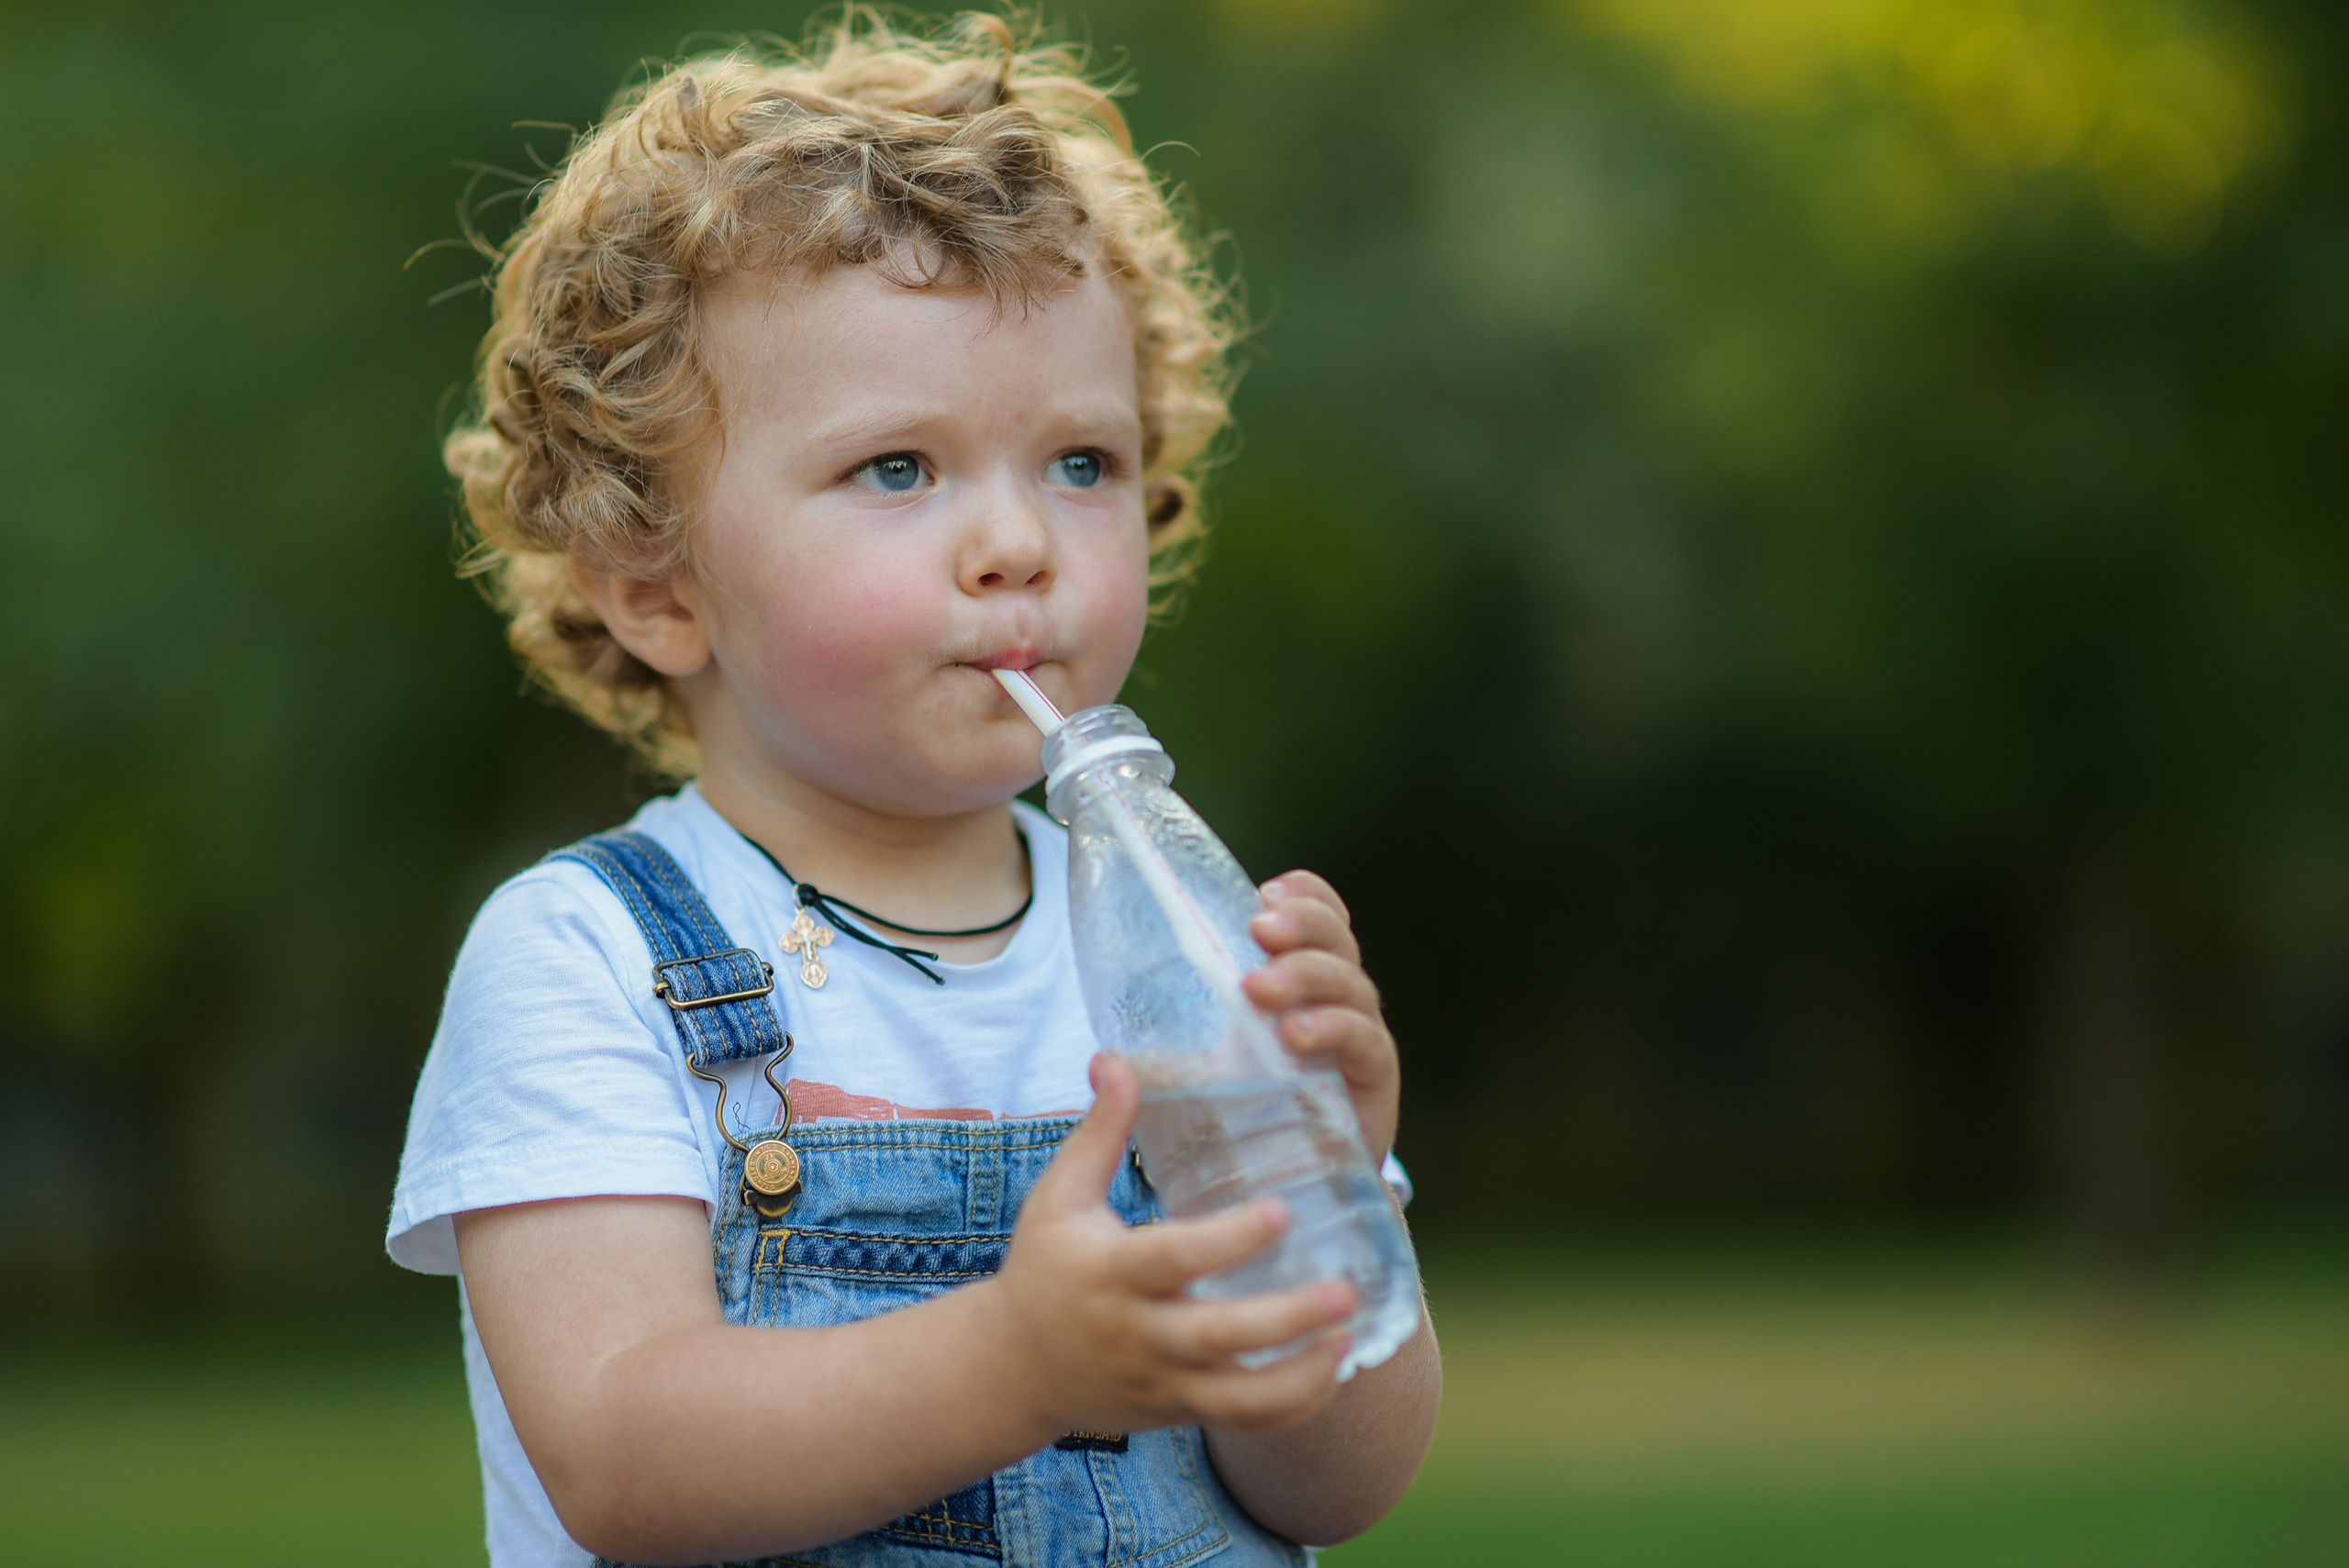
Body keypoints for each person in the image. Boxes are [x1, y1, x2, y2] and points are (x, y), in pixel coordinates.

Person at [386, 14, 1441, 1566]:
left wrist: (1317, 1183)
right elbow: (620, 1457)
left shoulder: (1174, 947)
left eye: (1080, 462)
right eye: (899, 468)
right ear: (657, 586)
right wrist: (1016, 1363)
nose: (1019, 541)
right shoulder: (583, 960)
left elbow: (1335, 1489)